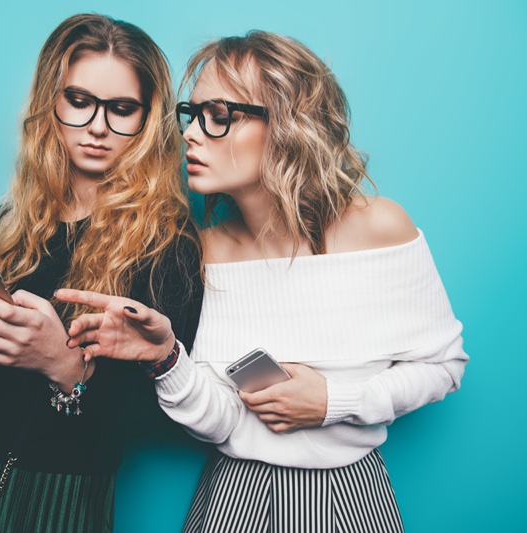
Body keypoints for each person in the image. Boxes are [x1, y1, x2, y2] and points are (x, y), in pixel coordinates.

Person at [57, 30, 468, 532]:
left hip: (350, 494)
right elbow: (221, 421)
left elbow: (444, 366)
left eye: (220, 115)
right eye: (193, 113)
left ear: (289, 125)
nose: (190, 133)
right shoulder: (205, 251)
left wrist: (331, 402)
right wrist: (166, 358)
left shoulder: (380, 227)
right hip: (229, 496)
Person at [0, 14, 203, 533]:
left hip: (62, 495)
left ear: (148, 119)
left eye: (122, 109)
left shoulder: (170, 246)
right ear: (50, 103)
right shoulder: (12, 222)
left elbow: (165, 420)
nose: (98, 126)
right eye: (79, 101)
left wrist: (63, 365)